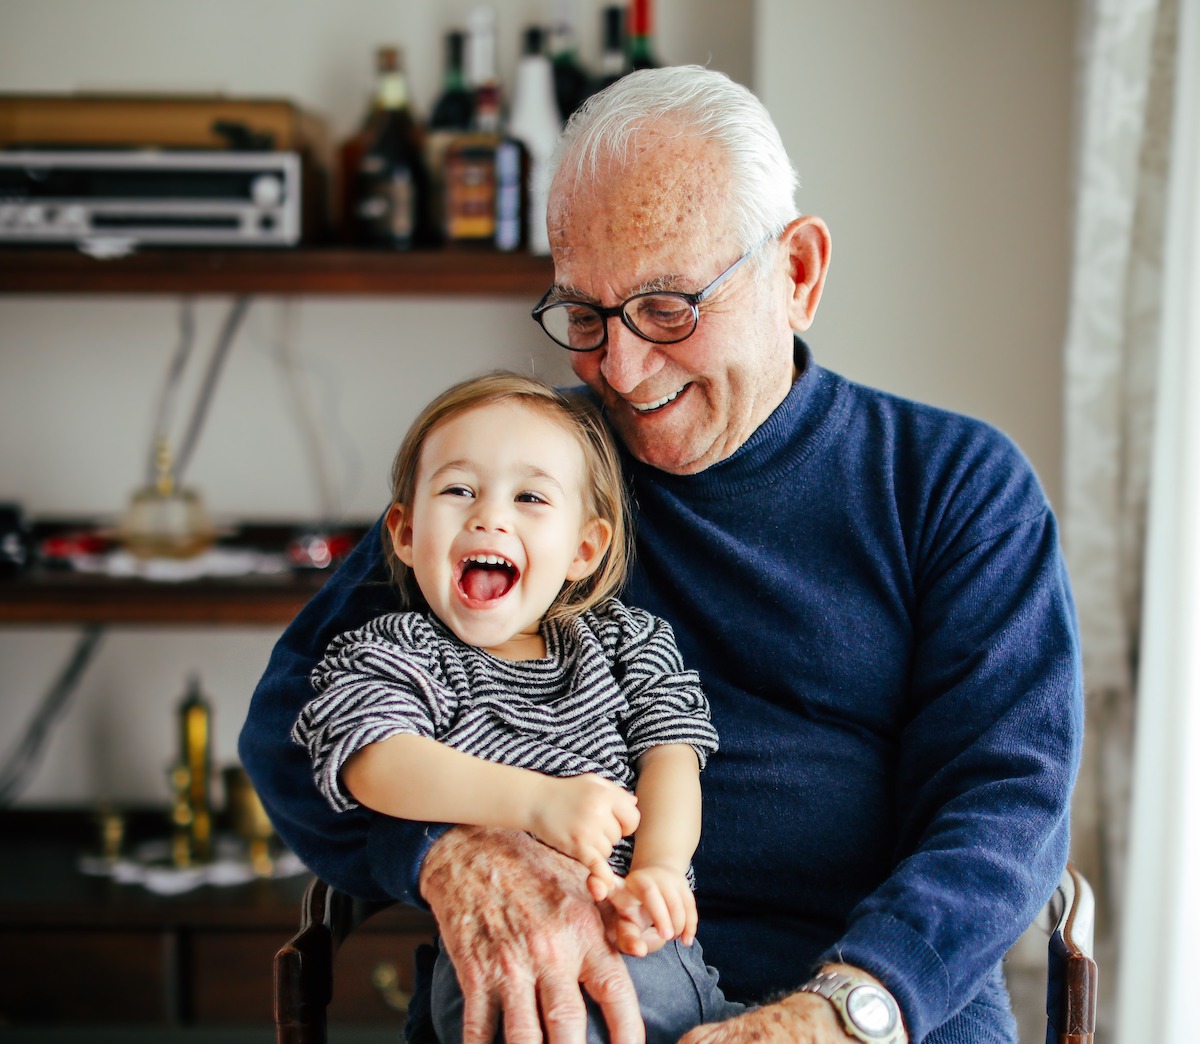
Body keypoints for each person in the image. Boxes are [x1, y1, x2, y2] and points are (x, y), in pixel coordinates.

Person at [240, 65, 1083, 1044]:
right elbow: (294, 717)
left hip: (872, 1007)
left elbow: (1005, 805)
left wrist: (838, 1015)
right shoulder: (523, 474)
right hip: (569, 999)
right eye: (585, 317)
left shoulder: (952, 483)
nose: (622, 372)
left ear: (798, 273)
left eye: (669, 308)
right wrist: (449, 842)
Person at [291, 372, 744, 1042]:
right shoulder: (398, 650)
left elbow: (672, 756)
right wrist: (536, 804)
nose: (489, 516)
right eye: (458, 490)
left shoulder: (627, 641)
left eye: (530, 496)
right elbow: (373, 758)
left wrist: (660, 868)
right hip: (501, 964)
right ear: (407, 533)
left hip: (650, 947)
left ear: (584, 548)